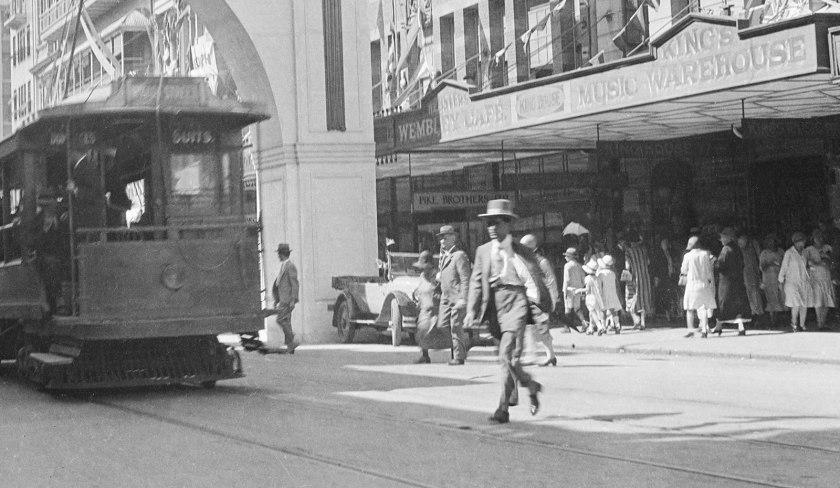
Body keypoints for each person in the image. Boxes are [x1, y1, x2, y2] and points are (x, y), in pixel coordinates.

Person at [465, 199, 550, 424]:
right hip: (493, 305)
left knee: (507, 355)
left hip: (516, 302)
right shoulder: (482, 251)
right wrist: (470, 311)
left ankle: (503, 409)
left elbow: (537, 281)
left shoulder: (521, 251)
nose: (492, 228)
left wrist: (541, 311)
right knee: (507, 360)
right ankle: (530, 385)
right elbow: (475, 281)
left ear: (508, 225)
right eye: (488, 224)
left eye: (497, 223)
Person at [520, 234, 559, 367]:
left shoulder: (542, 262)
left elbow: (551, 281)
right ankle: (549, 356)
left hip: (541, 300)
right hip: (531, 299)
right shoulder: (526, 262)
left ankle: (536, 355)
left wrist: (553, 299)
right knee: (533, 328)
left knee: (538, 328)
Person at [437, 225, 471, 365]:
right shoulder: (445, 256)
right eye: (440, 239)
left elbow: (465, 278)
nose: (442, 242)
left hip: (457, 297)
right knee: (442, 325)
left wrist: (463, 298)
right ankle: (465, 342)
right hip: (446, 297)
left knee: (455, 326)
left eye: (445, 238)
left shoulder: (459, 255)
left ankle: (459, 356)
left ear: (453, 238)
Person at [411, 250, 452, 364]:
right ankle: (425, 355)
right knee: (422, 331)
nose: (423, 269)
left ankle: (456, 354)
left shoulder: (436, 276)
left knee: (443, 332)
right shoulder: (422, 276)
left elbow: (444, 289)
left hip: (436, 309)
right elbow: (420, 289)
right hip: (424, 308)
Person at [713, 227, 753, 336]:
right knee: (738, 306)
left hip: (726, 282)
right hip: (738, 281)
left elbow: (720, 265)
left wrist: (713, 262)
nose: (720, 240)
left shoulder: (726, 249)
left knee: (724, 303)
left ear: (727, 238)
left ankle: (719, 326)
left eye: (722, 237)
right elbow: (742, 265)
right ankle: (737, 327)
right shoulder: (737, 249)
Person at [681, 236, 717, 338]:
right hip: (703, 283)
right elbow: (709, 270)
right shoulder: (705, 254)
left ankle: (690, 329)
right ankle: (704, 330)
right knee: (704, 307)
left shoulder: (687, 256)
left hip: (692, 283)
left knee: (689, 308)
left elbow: (683, 270)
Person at [779, 232, 811, 332]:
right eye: (800, 242)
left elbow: (806, 266)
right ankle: (794, 324)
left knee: (804, 304)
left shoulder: (805, 252)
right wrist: (780, 280)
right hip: (792, 282)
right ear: (795, 242)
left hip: (803, 281)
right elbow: (784, 267)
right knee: (796, 304)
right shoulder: (789, 253)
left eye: (803, 242)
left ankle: (802, 324)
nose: (802, 244)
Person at [272, 243, 301, 353]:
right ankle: (290, 347)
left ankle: (292, 338)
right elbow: (280, 284)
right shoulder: (284, 265)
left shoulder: (290, 266)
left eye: (279, 254)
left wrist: (293, 300)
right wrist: (277, 299)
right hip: (283, 299)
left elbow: (294, 284)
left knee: (280, 319)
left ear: (282, 254)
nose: (278, 256)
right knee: (286, 321)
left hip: (287, 299)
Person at [805, 229, 834, 330]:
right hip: (815, 277)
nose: (819, 239)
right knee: (818, 300)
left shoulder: (827, 247)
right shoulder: (809, 249)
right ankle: (819, 322)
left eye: (821, 236)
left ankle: (823, 322)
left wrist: (824, 261)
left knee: (826, 299)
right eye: (817, 237)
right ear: (813, 238)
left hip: (826, 276)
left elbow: (830, 261)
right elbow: (807, 263)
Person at [624, 233, 654, 330]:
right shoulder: (643, 250)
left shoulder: (628, 251)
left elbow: (627, 266)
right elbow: (648, 262)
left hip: (634, 277)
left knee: (630, 297)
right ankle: (643, 322)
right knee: (643, 299)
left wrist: (625, 278)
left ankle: (635, 319)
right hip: (645, 277)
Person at [759, 233, 786, 327]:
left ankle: (777, 318)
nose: (771, 243)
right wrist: (770, 263)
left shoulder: (781, 252)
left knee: (779, 298)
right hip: (768, 279)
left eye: (773, 240)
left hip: (778, 278)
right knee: (771, 299)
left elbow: (785, 264)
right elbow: (762, 267)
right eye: (769, 241)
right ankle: (772, 320)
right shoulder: (764, 253)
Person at [738, 232, 764, 319]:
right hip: (744, 273)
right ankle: (752, 314)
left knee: (754, 293)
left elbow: (759, 258)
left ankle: (757, 314)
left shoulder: (752, 246)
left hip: (752, 273)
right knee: (749, 294)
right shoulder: (740, 250)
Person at [561, 247, 587, 333]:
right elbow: (583, 279)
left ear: (570, 257)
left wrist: (565, 289)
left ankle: (566, 327)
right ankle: (584, 323)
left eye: (566, 256)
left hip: (569, 289)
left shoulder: (567, 266)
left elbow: (567, 279)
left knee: (567, 309)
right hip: (578, 289)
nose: (565, 257)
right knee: (577, 308)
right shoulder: (580, 266)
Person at [579, 257, 605, 335]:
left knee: (593, 312)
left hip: (590, 297)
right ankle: (591, 328)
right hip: (597, 297)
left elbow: (587, 289)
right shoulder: (598, 278)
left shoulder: (587, 278)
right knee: (592, 314)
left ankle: (599, 326)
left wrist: (578, 290)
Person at [597, 255, 623, 334]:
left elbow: (599, 285)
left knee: (603, 311)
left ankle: (604, 327)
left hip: (604, 294)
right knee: (613, 311)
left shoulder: (600, 274)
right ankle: (617, 325)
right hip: (612, 294)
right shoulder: (612, 273)